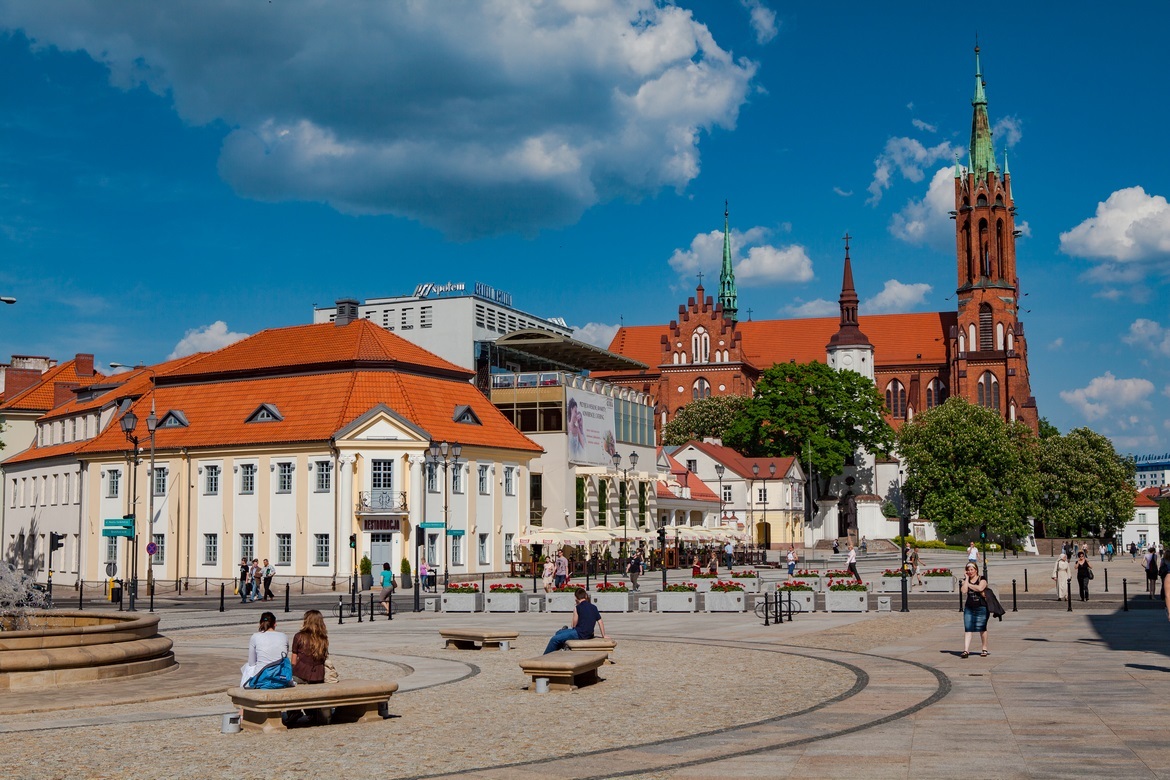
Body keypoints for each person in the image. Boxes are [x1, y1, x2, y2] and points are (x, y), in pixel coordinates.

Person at [288, 609, 330, 726]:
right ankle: (313, 713)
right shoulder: (323, 639)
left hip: (301, 673)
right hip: (318, 675)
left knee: (291, 686)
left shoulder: (299, 636)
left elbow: (294, 659)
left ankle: (294, 712)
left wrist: (292, 671)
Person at [543, 588, 606, 654]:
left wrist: (575, 611)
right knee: (559, 633)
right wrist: (603, 635)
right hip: (589, 634)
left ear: (576, 598)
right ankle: (562, 647)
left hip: (579, 634)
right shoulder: (594, 607)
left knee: (554, 639)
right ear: (586, 596)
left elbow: (574, 625)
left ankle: (544, 657)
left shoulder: (577, 607)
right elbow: (600, 622)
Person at [239, 611, 289, 686]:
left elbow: (252, 662)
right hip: (280, 676)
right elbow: (284, 658)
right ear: (275, 623)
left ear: (260, 624)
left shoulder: (255, 636)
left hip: (261, 677)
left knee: (248, 666)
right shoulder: (284, 636)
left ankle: (245, 687)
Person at [959, 562, 989, 658]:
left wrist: (968, 585)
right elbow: (963, 591)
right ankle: (966, 650)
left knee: (982, 628)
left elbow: (980, 587)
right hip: (969, 607)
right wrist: (967, 579)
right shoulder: (965, 580)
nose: (970, 571)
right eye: (968, 570)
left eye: (972, 569)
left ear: (976, 570)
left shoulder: (982, 578)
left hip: (981, 607)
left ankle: (984, 648)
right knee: (968, 628)